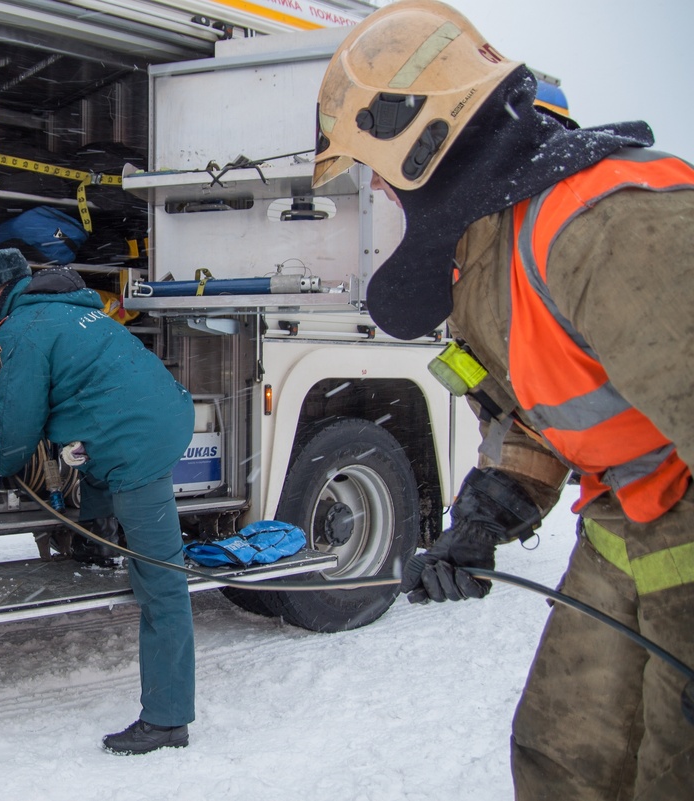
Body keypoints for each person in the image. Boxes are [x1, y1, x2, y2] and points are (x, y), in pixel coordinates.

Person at [312, 2, 694, 798]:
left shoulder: (612, 220)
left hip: (682, 524)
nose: (376, 189)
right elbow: (537, 414)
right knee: (565, 756)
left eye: (373, 166)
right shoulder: (494, 251)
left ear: (420, 135)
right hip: (630, 527)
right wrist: (481, 524)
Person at [0, 248, 196, 755]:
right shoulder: (73, 309)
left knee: (162, 585)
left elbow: (22, 422)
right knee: (86, 459)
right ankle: (98, 540)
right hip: (158, 417)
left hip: (136, 444)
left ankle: (167, 719)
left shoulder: (19, 328)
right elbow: (68, 377)